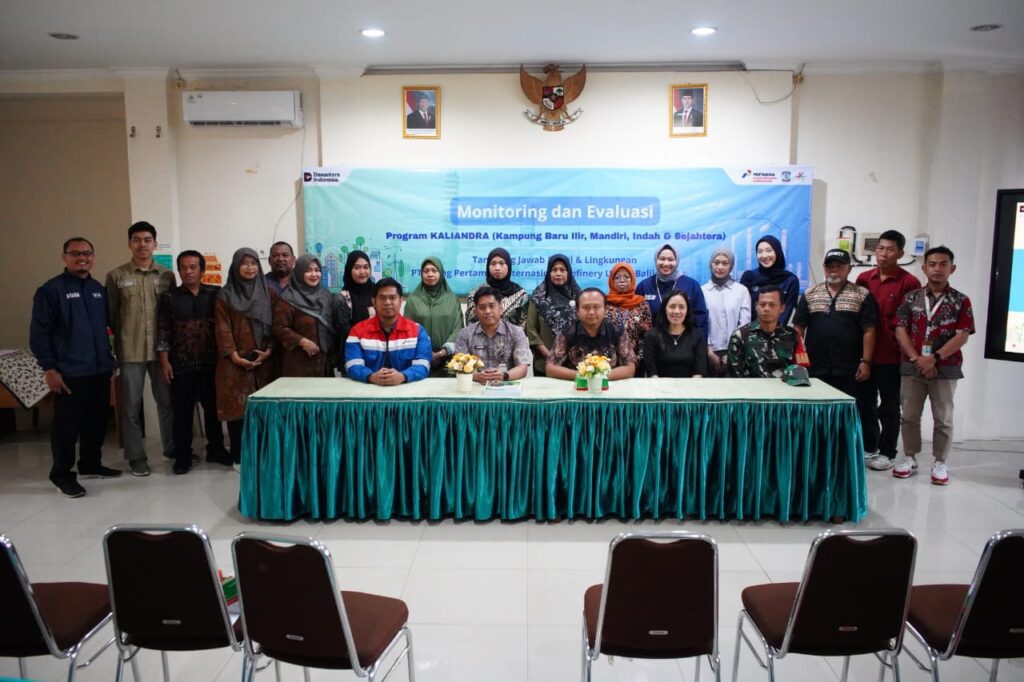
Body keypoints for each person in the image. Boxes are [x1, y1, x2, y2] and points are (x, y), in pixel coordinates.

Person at [29, 238, 121, 497]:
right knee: (66, 428)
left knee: (96, 421)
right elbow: (39, 334)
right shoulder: (50, 290)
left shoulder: (97, 289)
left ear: (93, 256)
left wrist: (110, 360)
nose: (82, 258)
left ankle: (91, 463)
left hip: (99, 369)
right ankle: (61, 474)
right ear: (64, 257)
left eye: (87, 253)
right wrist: (49, 369)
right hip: (70, 372)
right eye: (76, 254)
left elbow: (107, 328)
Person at [893, 246, 974, 485]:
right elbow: (900, 330)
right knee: (909, 416)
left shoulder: (961, 300)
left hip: (946, 368)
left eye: (943, 264)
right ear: (924, 268)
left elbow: (963, 335)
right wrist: (917, 358)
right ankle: (910, 457)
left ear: (952, 268)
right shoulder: (911, 298)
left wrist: (934, 358)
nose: (937, 268)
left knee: (943, 419)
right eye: (932, 264)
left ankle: (940, 462)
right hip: (912, 366)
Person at [105, 221, 176, 477]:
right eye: (137, 240)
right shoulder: (116, 276)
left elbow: (172, 315)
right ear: (129, 243)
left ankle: (172, 449)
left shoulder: (166, 276)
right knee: (131, 406)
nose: (142, 244)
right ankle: (136, 457)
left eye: (147, 240)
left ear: (155, 243)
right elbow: (111, 316)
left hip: (161, 353)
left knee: (167, 403)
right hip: (130, 351)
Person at [855, 230, 922, 471]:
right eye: (880, 248)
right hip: (866, 354)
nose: (883, 253)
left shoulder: (909, 282)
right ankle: (869, 446)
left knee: (890, 406)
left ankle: (887, 451)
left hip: (892, 355)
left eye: (890, 249)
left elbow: (913, 322)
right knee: (865, 403)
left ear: (900, 253)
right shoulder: (864, 279)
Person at [157, 250, 229, 474]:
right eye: (183, 268)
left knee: (213, 410)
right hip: (181, 363)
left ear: (202, 270)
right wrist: (164, 362)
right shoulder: (170, 298)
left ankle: (216, 449)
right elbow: (163, 331)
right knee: (182, 412)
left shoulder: (215, 293)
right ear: (178, 271)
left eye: (192, 267)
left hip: (211, 363)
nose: (188, 271)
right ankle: (182, 455)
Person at [215, 248, 277, 467]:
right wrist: (234, 356)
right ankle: (240, 458)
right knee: (238, 413)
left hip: (265, 361)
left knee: (265, 410)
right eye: (244, 263)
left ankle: (265, 456)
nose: (250, 267)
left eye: (254, 263)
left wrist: (269, 350)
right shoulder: (225, 295)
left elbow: (277, 325)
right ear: (235, 266)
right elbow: (223, 329)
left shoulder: (269, 293)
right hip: (235, 363)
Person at [792, 249, 878, 400]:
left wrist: (866, 362)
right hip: (816, 366)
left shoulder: (862, 294)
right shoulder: (810, 294)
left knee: (850, 408)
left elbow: (869, 330)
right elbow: (798, 328)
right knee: (818, 408)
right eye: (830, 266)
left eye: (839, 266)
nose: (834, 270)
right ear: (824, 268)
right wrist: (799, 361)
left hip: (850, 368)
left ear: (849, 269)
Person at [273, 254, 349, 378]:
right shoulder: (288, 298)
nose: (314, 274)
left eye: (317, 270)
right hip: (299, 361)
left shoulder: (326, 296)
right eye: (308, 271)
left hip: (324, 362)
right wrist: (302, 341)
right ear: (299, 273)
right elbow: (278, 328)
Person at [344, 278, 433, 385]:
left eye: (392, 298)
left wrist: (403, 376)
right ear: (374, 301)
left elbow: (423, 365)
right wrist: (371, 376)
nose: (387, 302)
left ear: (400, 301)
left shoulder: (418, 331)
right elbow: (352, 364)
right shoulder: (357, 331)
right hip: (370, 389)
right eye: (382, 298)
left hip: (406, 389)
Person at [546, 289, 636, 380]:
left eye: (596, 307)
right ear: (577, 310)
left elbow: (630, 368)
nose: (591, 312)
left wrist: (599, 378)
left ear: (605, 309)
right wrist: (584, 377)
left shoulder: (617, 331)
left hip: (608, 384)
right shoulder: (567, 333)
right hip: (578, 384)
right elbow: (550, 368)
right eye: (586, 308)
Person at [453, 287, 531, 383]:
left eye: (492, 306)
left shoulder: (516, 332)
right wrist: (477, 376)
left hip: (506, 385)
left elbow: (522, 367)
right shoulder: (465, 334)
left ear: (501, 308)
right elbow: (460, 366)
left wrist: (504, 375)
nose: (487, 311)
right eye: (482, 307)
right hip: (476, 386)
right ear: (476, 312)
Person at [403, 257, 464, 376]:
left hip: (449, 359)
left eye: (434, 271)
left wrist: (443, 352)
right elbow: (407, 328)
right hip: (419, 358)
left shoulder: (452, 299)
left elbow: (458, 328)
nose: (430, 274)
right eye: (426, 271)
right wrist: (426, 353)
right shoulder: (413, 300)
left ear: (441, 273)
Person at [635, 243, 709, 335]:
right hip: (652, 342)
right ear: (656, 260)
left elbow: (700, 320)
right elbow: (637, 320)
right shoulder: (644, 286)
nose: (666, 263)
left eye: (670, 259)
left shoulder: (692, 285)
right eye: (662, 259)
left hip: (683, 342)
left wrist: (698, 343)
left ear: (677, 261)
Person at [526, 254, 581, 376]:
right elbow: (531, 330)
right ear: (549, 273)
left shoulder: (578, 296)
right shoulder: (538, 296)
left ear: (568, 273)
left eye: (562, 270)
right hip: (545, 362)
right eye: (554, 270)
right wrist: (549, 355)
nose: (558, 273)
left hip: (574, 362)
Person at [727, 285, 797, 378]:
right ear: (756, 306)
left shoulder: (792, 335)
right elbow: (735, 376)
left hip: (784, 386)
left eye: (772, 305)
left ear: (782, 308)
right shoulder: (740, 336)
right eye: (762, 304)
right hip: (750, 387)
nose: (766, 309)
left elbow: (800, 371)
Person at [701, 248, 750, 376]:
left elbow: (745, 325)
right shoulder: (702, 291)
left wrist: (733, 352)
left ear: (731, 266)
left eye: (725, 263)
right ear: (710, 264)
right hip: (708, 352)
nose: (720, 267)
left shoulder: (742, 291)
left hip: (736, 352)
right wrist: (708, 350)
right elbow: (699, 324)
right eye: (716, 262)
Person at [643, 290, 707, 378]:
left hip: (691, 385)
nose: (676, 311)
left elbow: (699, 371)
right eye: (672, 307)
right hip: (659, 385)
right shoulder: (651, 336)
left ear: (687, 310)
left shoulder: (697, 335)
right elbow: (651, 372)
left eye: (681, 307)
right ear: (665, 309)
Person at [739, 235, 800, 326]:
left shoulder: (790, 280)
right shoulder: (749, 277)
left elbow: (786, 313)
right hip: (749, 332)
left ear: (777, 252)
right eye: (760, 251)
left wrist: (771, 331)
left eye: (769, 250)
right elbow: (742, 311)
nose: (764, 255)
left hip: (777, 332)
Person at [604, 262, 653, 375]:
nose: (622, 280)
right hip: (607, 363)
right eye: (617, 277)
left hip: (635, 363)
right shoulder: (604, 303)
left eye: (626, 277)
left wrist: (637, 360)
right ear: (611, 281)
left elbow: (647, 335)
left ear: (632, 280)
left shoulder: (642, 304)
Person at [466, 247, 530, 326]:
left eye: (501, 263)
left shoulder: (520, 295)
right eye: (493, 264)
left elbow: (523, 326)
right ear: (488, 266)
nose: (497, 268)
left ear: (508, 266)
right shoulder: (476, 293)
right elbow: (471, 325)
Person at [340, 249, 375, 328]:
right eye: (357, 268)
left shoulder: (378, 292)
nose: (362, 272)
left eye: (366, 267)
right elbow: (343, 329)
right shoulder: (343, 297)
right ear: (349, 270)